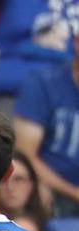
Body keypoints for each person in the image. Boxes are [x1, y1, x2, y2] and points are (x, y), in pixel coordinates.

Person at [14, 42, 79, 218]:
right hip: (52, 188)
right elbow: (25, 155)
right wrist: (74, 192)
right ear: (77, 42)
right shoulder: (43, 84)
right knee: (34, 192)